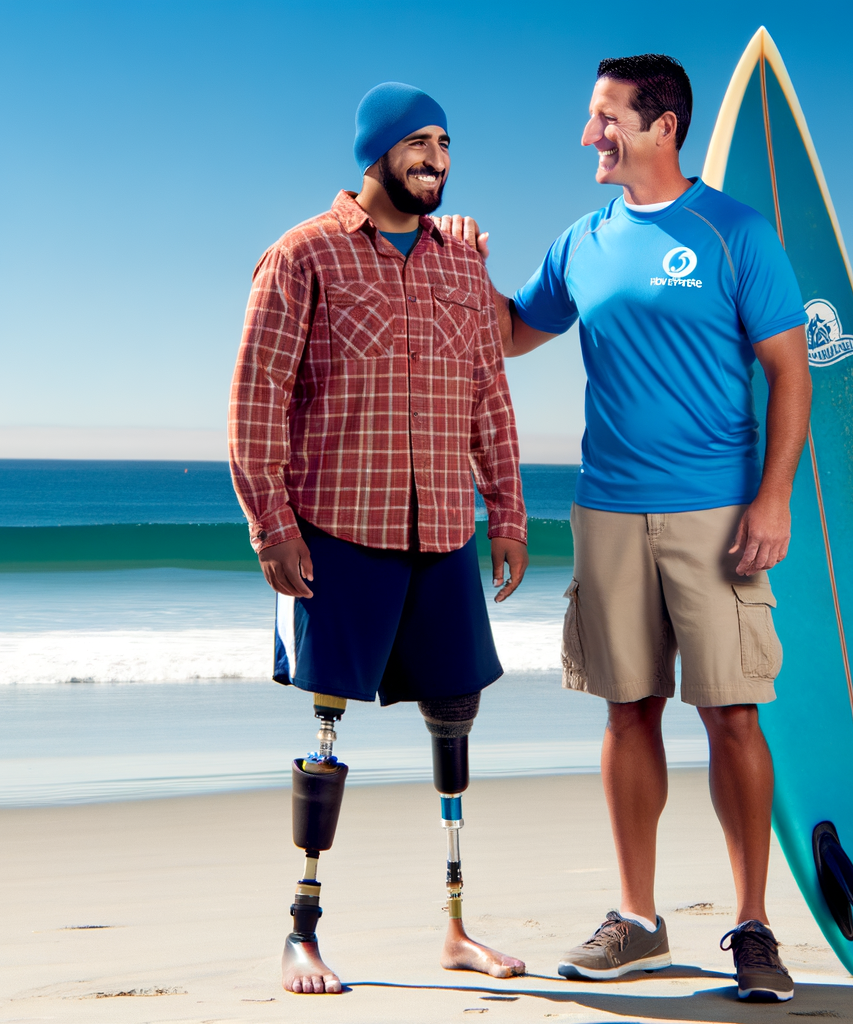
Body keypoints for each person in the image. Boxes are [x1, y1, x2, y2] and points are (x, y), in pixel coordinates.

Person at [439, 53, 811, 1002]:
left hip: (717, 511)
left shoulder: (734, 232)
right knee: (626, 708)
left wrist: (773, 500)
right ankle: (639, 920)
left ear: (663, 127)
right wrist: (460, 262)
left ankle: (753, 925)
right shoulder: (585, 239)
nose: (588, 136)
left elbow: (789, 372)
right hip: (607, 508)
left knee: (732, 714)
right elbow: (512, 333)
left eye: (605, 118)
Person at [228, 82, 529, 995]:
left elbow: (489, 396)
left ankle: (456, 926)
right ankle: (302, 930)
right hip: (336, 528)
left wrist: (508, 512)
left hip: (441, 529)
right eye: (420, 143)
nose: (437, 158)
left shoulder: (461, 266)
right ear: (377, 151)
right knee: (326, 726)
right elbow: (256, 401)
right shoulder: (302, 255)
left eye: (446, 143)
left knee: (456, 717)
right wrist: (270, 525)